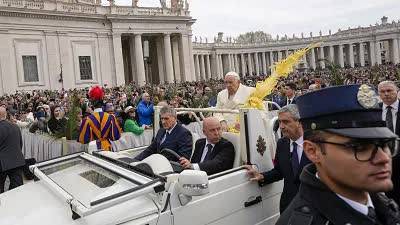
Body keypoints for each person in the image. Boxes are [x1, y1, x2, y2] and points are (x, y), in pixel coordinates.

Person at [276, 84, 400, 225]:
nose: (383, 158)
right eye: (359, 148)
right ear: (313, 151)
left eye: (385, 144)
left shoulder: (381, 203)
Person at [245, 104, 311, 213]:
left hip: (313, 209)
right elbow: (279, 171)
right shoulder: (282, 144)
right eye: (279, 122)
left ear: (299, 122)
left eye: (286, 122)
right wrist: (261, 176)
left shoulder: (315, 144)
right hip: (289, 206)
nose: (281, 126)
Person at [78, 86, 122, 151]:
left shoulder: (87, 120)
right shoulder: (110, 117)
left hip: (93, 148)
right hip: (107, 147)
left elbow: (83, 140)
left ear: (92, 103)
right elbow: (115, 136)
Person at [378, 80, 400, 205]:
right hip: (383, 160)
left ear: (396, 91)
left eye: (389, 91)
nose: (386, 94)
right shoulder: (375, 111)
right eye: (382, 91)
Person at [0, 107, 25, 193]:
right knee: (17, 190)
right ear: (5, 115)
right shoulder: (15, 127)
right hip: (16, 161)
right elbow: (20, 145)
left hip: (2, 163)